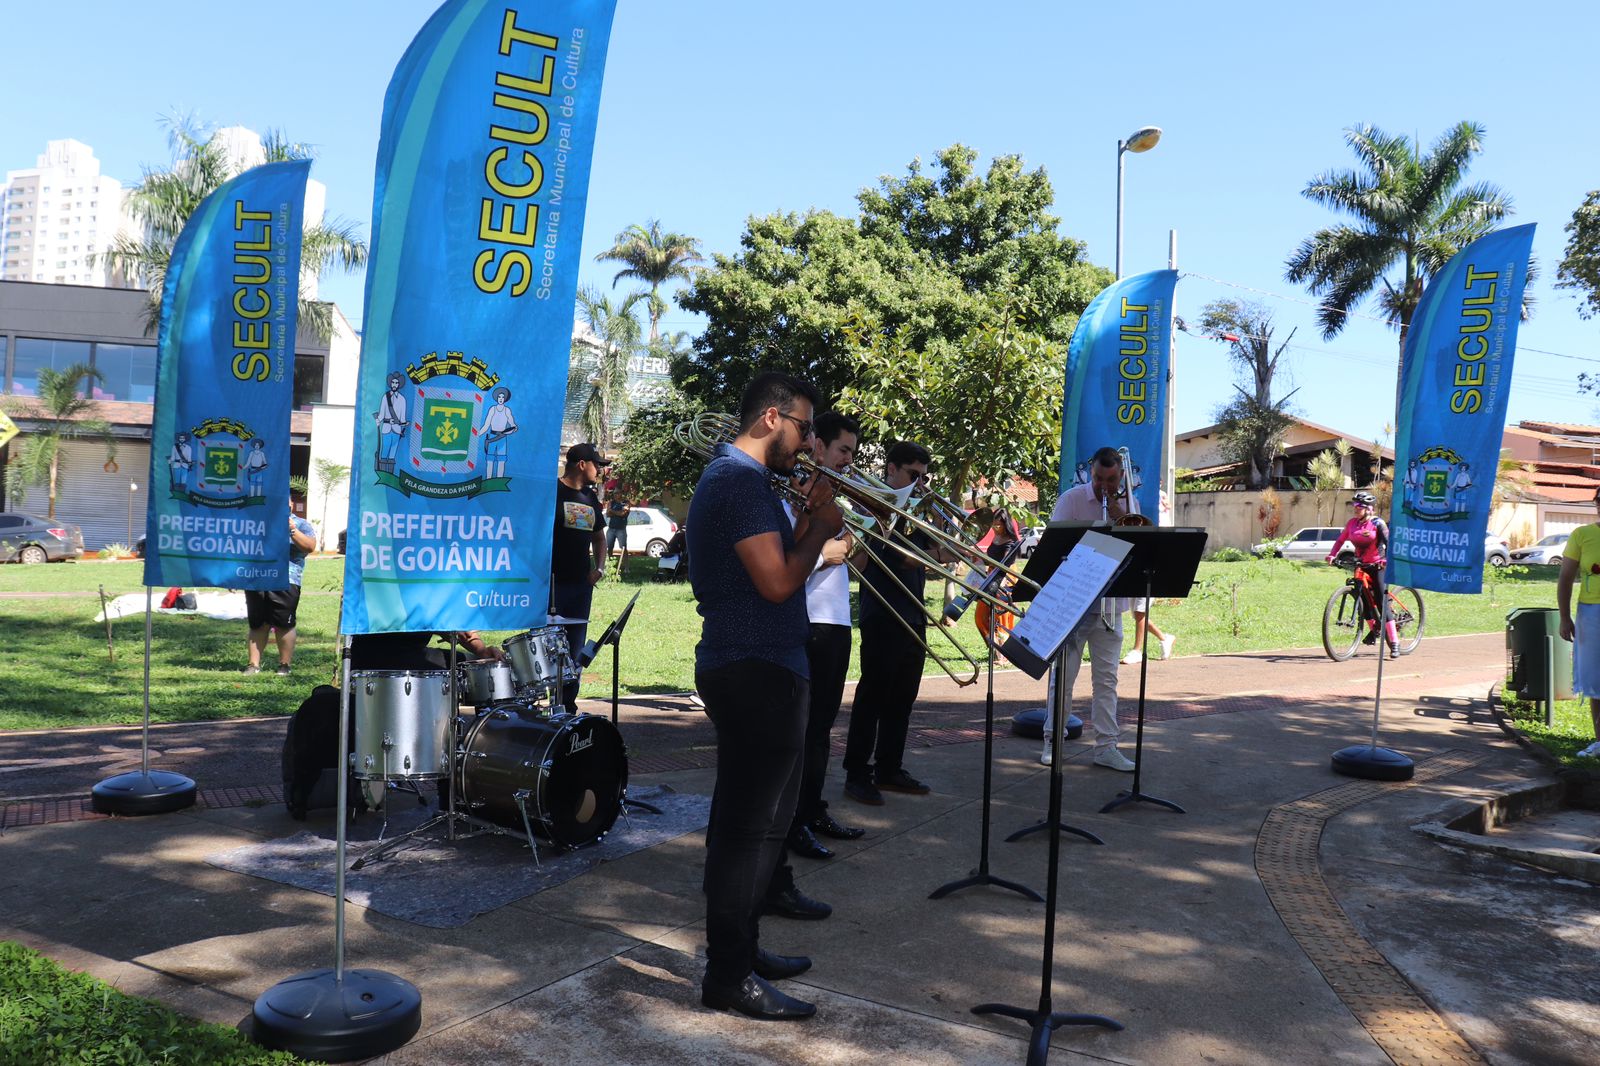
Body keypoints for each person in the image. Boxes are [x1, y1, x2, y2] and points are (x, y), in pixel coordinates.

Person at [688, 371, 843, 1020]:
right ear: (771, 418)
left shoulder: (741, 483)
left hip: (761, 664)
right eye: (805, 428)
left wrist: (808, 519)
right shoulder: (736, 482)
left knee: (754, 828)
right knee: (747, 834)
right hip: (755, 671)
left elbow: (775, 571)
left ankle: (742, 952)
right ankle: (728, 975)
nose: (808, 443)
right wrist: (820, 524)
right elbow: (780, 582)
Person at [842, 440, 955, 804]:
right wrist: (938, 554)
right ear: (891, 469)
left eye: (924, 476)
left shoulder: (914, 509)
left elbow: (935, 545)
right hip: (883, 613)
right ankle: (856, 773)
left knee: (902, 699)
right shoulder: (875, 505)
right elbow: (905, 558)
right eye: (913, 475)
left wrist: (940, 522)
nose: (920, 483)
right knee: (872, 698)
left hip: (912, 612)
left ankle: (889, 767)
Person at [777, 412, 865, 864]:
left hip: (836, 623)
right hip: (806, 620)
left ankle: (812, 810)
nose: (849, 460)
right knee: (803, 730)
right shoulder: (794, 492)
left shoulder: (836, 498)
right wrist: (831, 549)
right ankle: (793, 823)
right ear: (820, 449)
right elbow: (788, 560)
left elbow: (856, 566)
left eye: (852, 452)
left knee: (822, 730)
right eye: (843, 451)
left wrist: (867, 536)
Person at [1040, 447, 1138, 771]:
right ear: (1090, 473)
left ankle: (1107, 747)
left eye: (1111, 479)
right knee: (1063, 676)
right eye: (1098, 478)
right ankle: (1053, 741)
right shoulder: (1071, 500)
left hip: (1110, 604)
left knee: (1107, 680)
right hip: (1075, 602)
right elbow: (1054, 549)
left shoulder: (1129, 506)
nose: (1104, 486)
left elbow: (1137, 553)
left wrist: (1120, 516)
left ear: (1121, 476)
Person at [551, 443, 609, 713]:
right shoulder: (552, 492)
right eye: (597, 464)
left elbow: (599, 538)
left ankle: (568, 706)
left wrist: (599, 569)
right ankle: (547, 703)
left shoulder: (590, 498)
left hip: (580, 586)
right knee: (549, 645)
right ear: (582, 464)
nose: (600, 470)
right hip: (550, 586)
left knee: (575, 650)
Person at [244, 505, 317, 676]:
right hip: (257, 577)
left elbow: (310, 546)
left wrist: (292, 529)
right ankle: (253, 665)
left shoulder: (301, 524)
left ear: (291, 503)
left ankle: (284, 665)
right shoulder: (257, 521)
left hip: (287, 578)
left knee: (285, 624)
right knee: (258, 623)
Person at [1325, 491, 1398, 659]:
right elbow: (1340, 540)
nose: (1355, 509)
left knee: (1381, 600)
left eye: (1359, 507)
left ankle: (1394, 642)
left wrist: (1386, 559)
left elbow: (1390, 544)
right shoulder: (1352, 524)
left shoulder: (1378, 524)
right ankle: (1376, 629)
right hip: (1361, 564)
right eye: (1354, 506)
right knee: (1363, 600)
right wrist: (1332, 554)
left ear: (1368, 509)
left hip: (1378, 564)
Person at [1557, 485, 1600, 759]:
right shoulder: (1582, 535)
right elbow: (1565, 578)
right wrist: (1564, 616)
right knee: (1595, 680)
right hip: (1591, 615)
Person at [1123, 488, 1177, 665]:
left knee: (1139, 612)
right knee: (1137, 614)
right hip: (1135, 566)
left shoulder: (1155, 499)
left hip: (1150, 567)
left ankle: (1137, 650)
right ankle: (1164, 638)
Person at [604, 489, 631, 576]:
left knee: (623, 548)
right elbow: (608, 514)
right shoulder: (611, 503)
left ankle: (626, 567)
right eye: (614, 493)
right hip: (611, 528)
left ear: (621, 493)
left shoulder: (626, 503)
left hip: (621, 529)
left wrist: (613, 511)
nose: (615, 495)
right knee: (609, 548)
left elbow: (623, 513)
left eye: (617, 493)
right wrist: (616, 512)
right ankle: (610, 566)